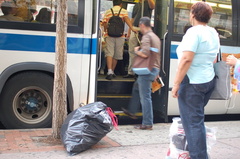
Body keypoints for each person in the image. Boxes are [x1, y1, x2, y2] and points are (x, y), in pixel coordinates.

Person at [171, 2, 219, 159]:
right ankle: (196, 154)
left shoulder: (193, 32)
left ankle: (199, 156)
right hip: (208, 80)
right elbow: (214, 58)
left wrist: (176, 84)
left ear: (193, 14)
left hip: (193, 83)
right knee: (196, 121)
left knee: (193, 124)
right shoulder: (213, 32)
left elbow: (186, 59)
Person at [124, 17, 160, 130]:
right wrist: (157, 71)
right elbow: (156, 55)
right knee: (136, 87)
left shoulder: (147, 37)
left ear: (142, 25)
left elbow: (145, 54)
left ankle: (147, 123)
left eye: (139, 26)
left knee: (145, 97)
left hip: (147, 70)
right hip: (154, 68)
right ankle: (132, 111)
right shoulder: (155, 37)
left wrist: (136, 51)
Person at [102, 0, 137, 80]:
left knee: (109, 52)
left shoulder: (108, 12)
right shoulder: (124, 11)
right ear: (121, 4)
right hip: (120, 35)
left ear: (113, 3)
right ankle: (113, 71)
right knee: (117, 54)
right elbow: (127, 20)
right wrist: (132, 28)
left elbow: (104, 23)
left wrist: (105, 31)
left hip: (109, 35)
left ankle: (109, 71)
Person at [123, 0, 155, 78]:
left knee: (143, 51)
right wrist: (129, 31)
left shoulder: (148, 3)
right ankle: (131, 72)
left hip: (145, 29)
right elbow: (133, 19)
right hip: (135, 28)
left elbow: (153, 6)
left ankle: (140, 71)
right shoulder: (136, 5)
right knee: (132, 51)